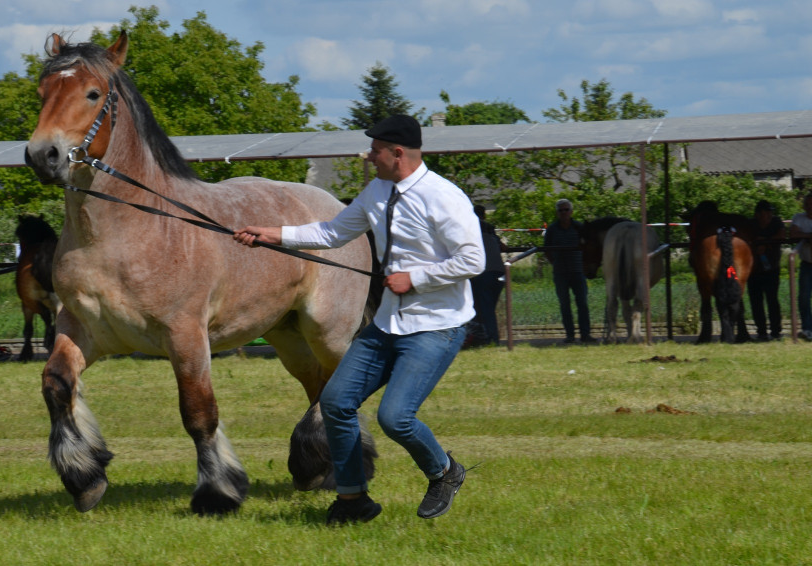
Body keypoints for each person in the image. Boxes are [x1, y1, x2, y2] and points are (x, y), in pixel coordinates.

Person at [233, 114, 485, 525]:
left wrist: (416, 278)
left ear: (397, 153)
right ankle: (352, 499)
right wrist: (272, 235)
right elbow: (332, 234)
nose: (368, 156)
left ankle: (445, 472)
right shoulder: (378, 192)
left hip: (435, 326)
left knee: (395, 418)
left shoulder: (443, 197)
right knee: (335, 402)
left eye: (375, 150)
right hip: (387, 324)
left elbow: (473, 259)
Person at [543, 199, 593, 344]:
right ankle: (570, 335)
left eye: (566, 210)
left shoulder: (579, 227)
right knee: (565, 304)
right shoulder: (552, 230)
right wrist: (555, 263)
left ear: (571, 212)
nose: (563, 213)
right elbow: (547, 249)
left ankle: (585, 334)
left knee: (582, 303)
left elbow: (588, 247)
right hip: (560, 273)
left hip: (578, 272)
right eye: (561, 210)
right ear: (557, 213)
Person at [464, 204, 505, 348]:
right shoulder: (490, 230)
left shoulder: (469, 228)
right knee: (488, 307)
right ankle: (485, 337)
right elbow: (503, 247)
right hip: (499, 271)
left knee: (483, 308)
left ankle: (490, 339)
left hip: (483, 272)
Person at [749, 200, 785, 341]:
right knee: (756, 302)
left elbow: (782, 236)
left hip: (772, 268)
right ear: (758, 214)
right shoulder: (751, 224)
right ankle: (762, 332)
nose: (769, 215)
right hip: (754, 270)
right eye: (766, 213)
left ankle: (776, 331)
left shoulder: (776, 222)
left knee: (772, 300)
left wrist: (765, 241)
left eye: (770, 212)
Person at [791, 193, 812, 341]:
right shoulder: (799, 218)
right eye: (808, 205)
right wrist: (809, 236)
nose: (810, 208)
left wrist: (804, 235)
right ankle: (807, 328)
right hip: (807, 264)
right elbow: (793, 233)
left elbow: (799, 233)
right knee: (804, 297)